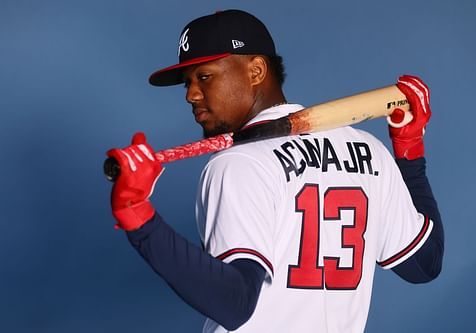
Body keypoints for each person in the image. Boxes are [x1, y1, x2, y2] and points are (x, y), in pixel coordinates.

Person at [106, 9, 444, 333]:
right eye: (187, 83)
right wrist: (410, 154)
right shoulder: (368, 151)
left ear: (255, 71)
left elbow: (235, 303)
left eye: (205, 77)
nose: (191, 95)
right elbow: (423, 264)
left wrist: (141, 220)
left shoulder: (236, 163)